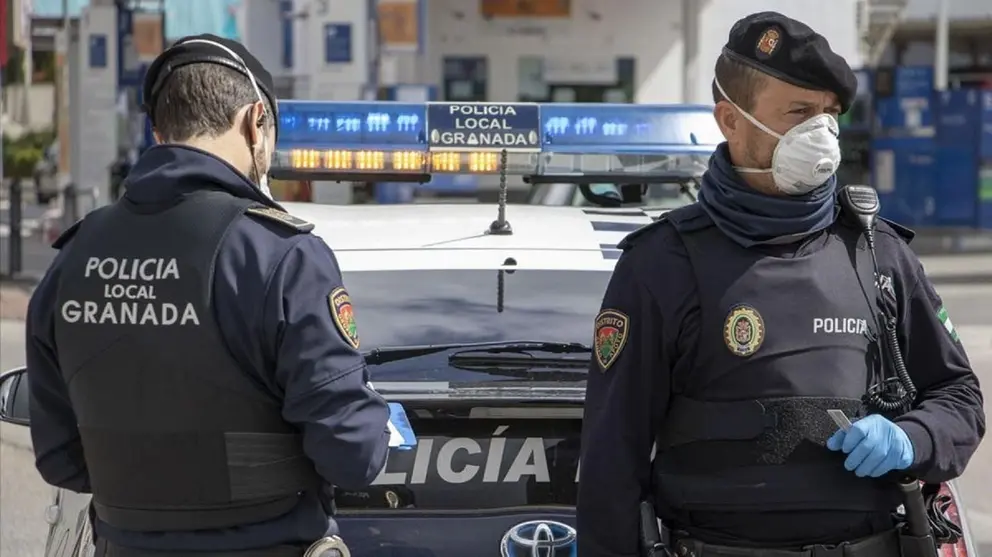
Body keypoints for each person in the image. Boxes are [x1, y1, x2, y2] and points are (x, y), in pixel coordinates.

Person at [577, 11, 985, 557]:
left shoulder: (877, 253)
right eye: (798, 113)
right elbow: (611, 459)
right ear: (730, 119)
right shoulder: (663, 264)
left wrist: (912, 438)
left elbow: (960, 398)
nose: (819, 133)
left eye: (829, 114)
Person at [25, 34, 391, 556]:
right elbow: (352, 454)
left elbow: (61, 459)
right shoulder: (282, 255)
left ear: (158, 133)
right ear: (253, 122)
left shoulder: (74, 258)